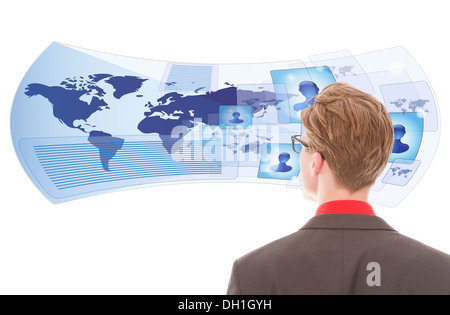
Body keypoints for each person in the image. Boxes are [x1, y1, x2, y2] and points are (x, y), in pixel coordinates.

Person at [227, 82, 450, 295]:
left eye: (302, 145)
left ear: (316, 162)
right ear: (378, 163)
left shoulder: (252, 273)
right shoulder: (441, 272)